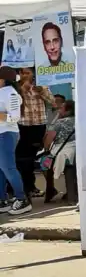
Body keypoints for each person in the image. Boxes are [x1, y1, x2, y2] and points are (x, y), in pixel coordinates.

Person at [15, 68, 54, 202]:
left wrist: (42, 91)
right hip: (22, 126)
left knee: (32, 158)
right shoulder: (16, 88)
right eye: (22, 73)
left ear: (33, 73)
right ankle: (27, 187)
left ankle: (31, 187)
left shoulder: (41, 86)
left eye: (27, 72)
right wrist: (22, 90)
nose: (25, 75)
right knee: (22, 159)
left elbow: (53, 102)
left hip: (38, 126)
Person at [0, 67, 29, 215]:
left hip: (7, 133)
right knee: (1, 169)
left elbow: (15, 117)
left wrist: (1, 116)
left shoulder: (10, 93)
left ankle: (22, 199)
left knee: (8, 167)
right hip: (2, 133)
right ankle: (2, 200)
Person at [41, 99, 75, 202]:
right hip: (76, 152)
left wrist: (46, 149)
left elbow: (48, 140)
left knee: (44, 163)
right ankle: (72, 194)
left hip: (62, 152)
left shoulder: (60, 122)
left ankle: (50, 188)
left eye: (61, 108)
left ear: (68, 111)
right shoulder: (80, 120)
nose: (59, 111)